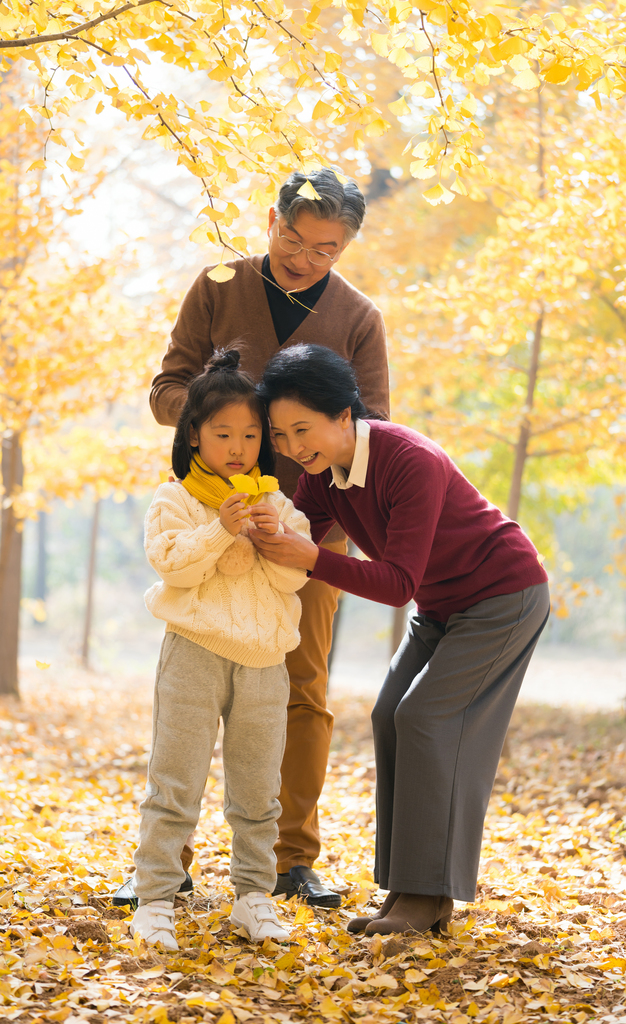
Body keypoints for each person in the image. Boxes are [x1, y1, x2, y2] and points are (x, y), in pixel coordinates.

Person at [130, 167, 390, 910]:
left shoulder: (360, 316)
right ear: (271, 219)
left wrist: (315, 534)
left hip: (310, 532)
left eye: (326, 249)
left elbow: (369, 427)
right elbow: (164, 388)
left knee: (302, 691)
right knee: (188, 694)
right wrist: (217, 411)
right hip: (208, 517)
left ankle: (292, 860)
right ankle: (166, 861)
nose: (304, 257)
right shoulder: (217, 285)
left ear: (345, 250)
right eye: (293, 237)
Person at [251, 344, 550, 936]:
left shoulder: (409, 459)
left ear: (344, 415)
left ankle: (423, 897)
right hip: (442, 605)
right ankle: (410, 896)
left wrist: (313, 559)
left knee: (426, 718)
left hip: (501, 595)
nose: (291, 447)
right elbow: (297, 531)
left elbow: (395, 583)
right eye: (280, 435)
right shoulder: (325, 476)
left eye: (301, 429)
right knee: (391, 713)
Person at [129, 350, 311, 949]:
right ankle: (155, 897)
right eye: (223, 433)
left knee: (258, 789)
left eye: (251, 435)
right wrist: (220, 529)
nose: (237, 446)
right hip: (193, 653)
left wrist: (271, 539)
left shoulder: (280, 505)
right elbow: (171, 565)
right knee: (174, 780)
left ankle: (254, 897)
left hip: (265, 662)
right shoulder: (174, 498)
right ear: (194, 435)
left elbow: (294, 581)